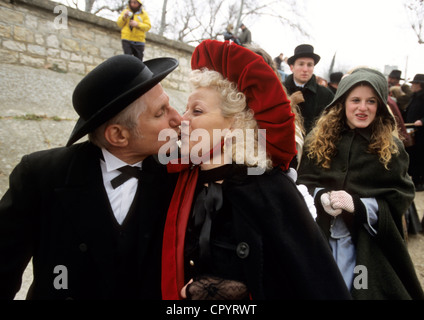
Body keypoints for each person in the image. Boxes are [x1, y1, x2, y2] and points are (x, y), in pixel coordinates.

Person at [161, 39, 351, 300]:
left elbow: (311, 280)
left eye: (197, 110)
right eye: (186, 108)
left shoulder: (268, 187)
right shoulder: (182, 180)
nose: (183, 119)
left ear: (234, 124)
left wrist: (224, 290)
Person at [0, 55, 182, 299]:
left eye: (168, 104)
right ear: (118, 135)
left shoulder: (182, 172)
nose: (178, 118)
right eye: (161, 112)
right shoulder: (40, 175)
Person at [297, 67, 424, 299]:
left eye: (371, 101)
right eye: (355, 100)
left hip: (366, 246)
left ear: (380, 106)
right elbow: (304, 182)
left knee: (360, 287)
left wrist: (360, 205)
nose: (363, 108)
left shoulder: (392, 149)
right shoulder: (317, 141)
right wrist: (321, 196)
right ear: (343, 102)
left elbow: (400, 196)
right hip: (322, 237)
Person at [284, 44, 334, 134]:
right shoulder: (279, 90)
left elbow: (331, 126)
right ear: (292, 67)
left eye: (310, 65)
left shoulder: (326, 95)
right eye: (301, 64)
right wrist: (289, 103)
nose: (305, 69)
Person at [405, 73, 424, 191]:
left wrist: (422, 121)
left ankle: (419, 182)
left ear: (420, 85)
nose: (412, 86)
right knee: (413, 156)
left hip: (422, 133)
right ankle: (415, 180)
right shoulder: (414, 96)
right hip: (413, 131)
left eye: (414, 84)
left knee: (420, 157)